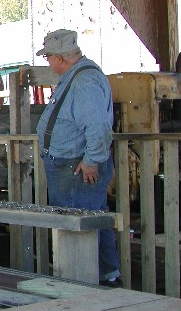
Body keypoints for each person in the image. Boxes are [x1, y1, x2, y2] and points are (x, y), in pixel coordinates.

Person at [35, 29, 122, 287]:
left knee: (79, 223)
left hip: (76, 168)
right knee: (92, 218)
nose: (48, 63)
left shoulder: (84, 82)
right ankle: (106, 277)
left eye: (48, 57)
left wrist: (92, 160)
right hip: (70, 165)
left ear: (59, 58)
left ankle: (84, 283)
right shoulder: (76, 78)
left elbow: (97, 127)